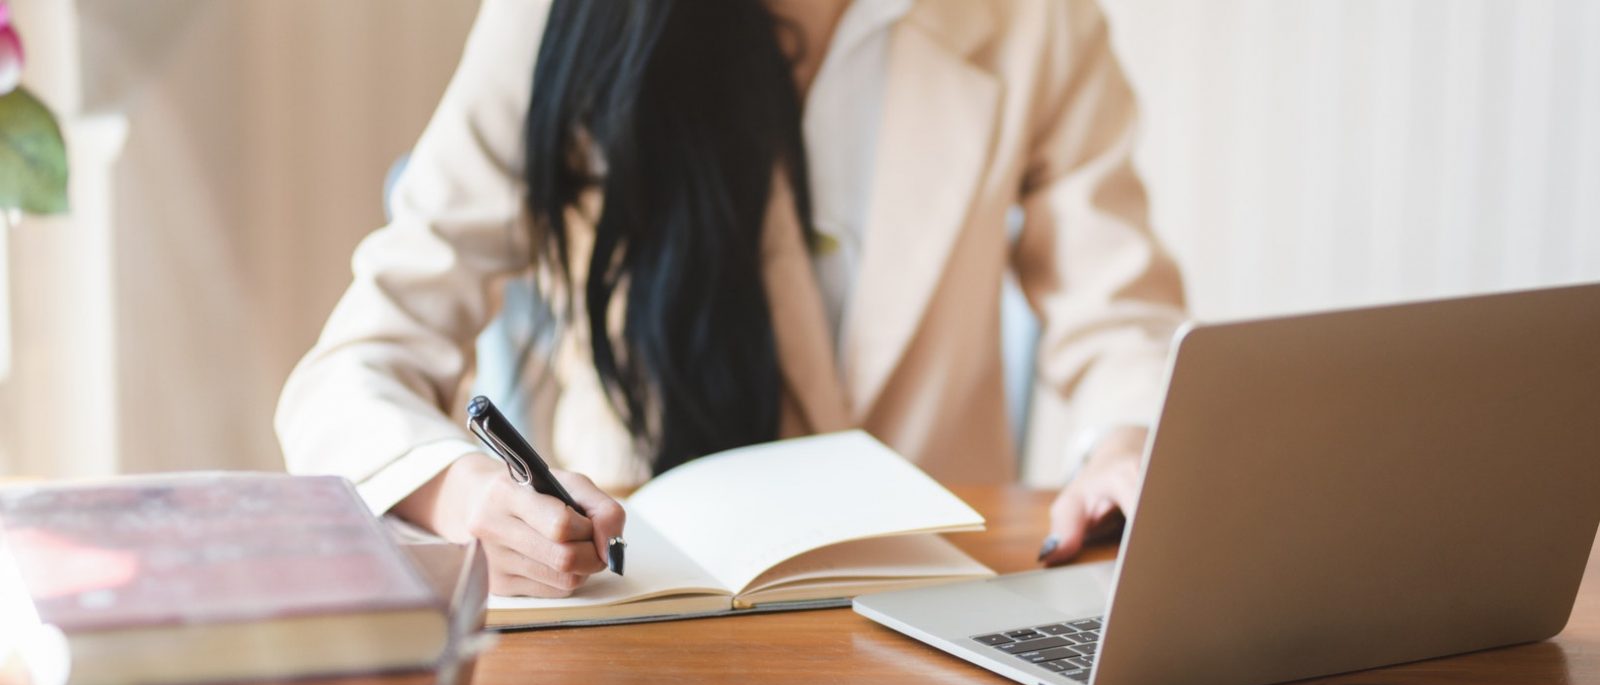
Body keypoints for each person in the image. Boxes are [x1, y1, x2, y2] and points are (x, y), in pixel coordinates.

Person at [276, 0, 1186, 598]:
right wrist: (464, 496)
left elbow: (1119, 319)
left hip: (935, 606)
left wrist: (1124, 442)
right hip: (647, 607)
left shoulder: (1036, 21)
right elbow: (353, 370)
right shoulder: (556, 20)